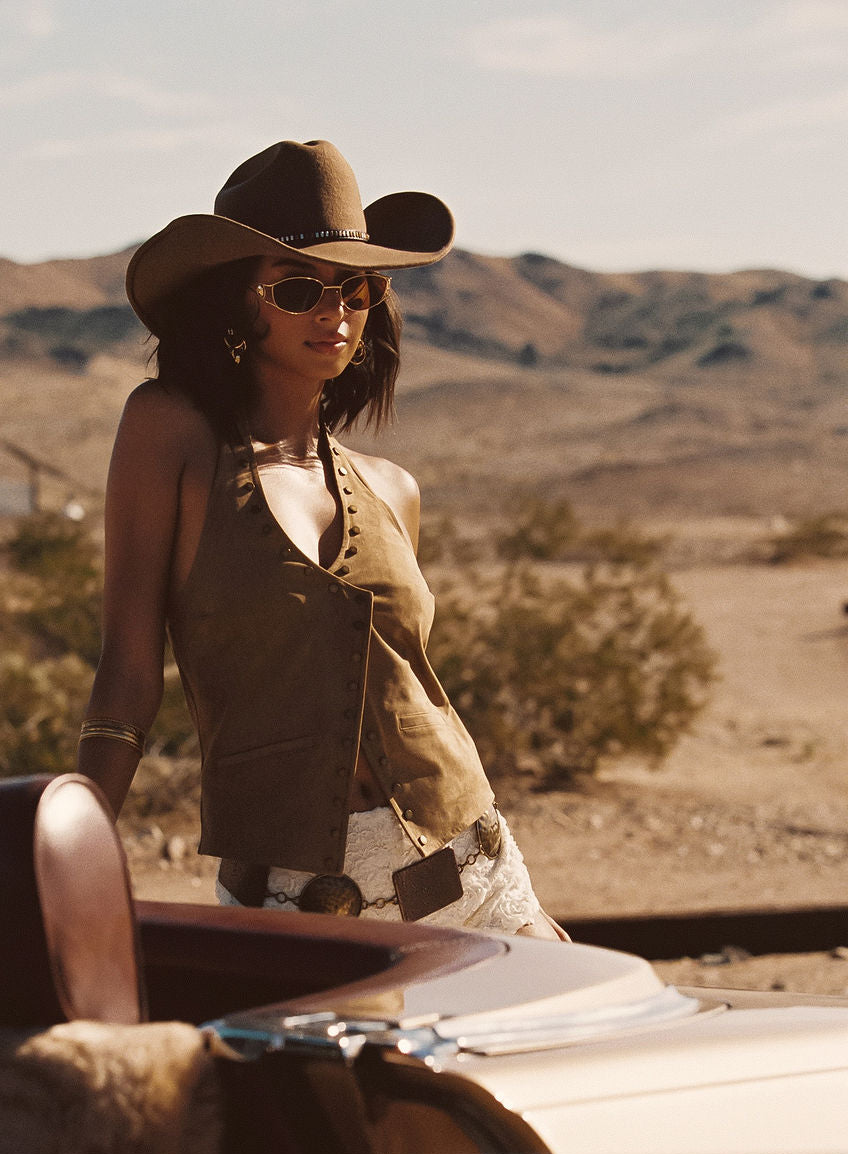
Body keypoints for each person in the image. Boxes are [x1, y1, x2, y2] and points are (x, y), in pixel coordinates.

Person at [78, 140, 567, 939]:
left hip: (480, 871)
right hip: (299, 904)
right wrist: (65, 842)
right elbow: (128, 672)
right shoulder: (169, 433)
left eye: (356, 289)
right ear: (237, 303)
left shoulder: (393, 488)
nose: (333, 314)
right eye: (300, 289)